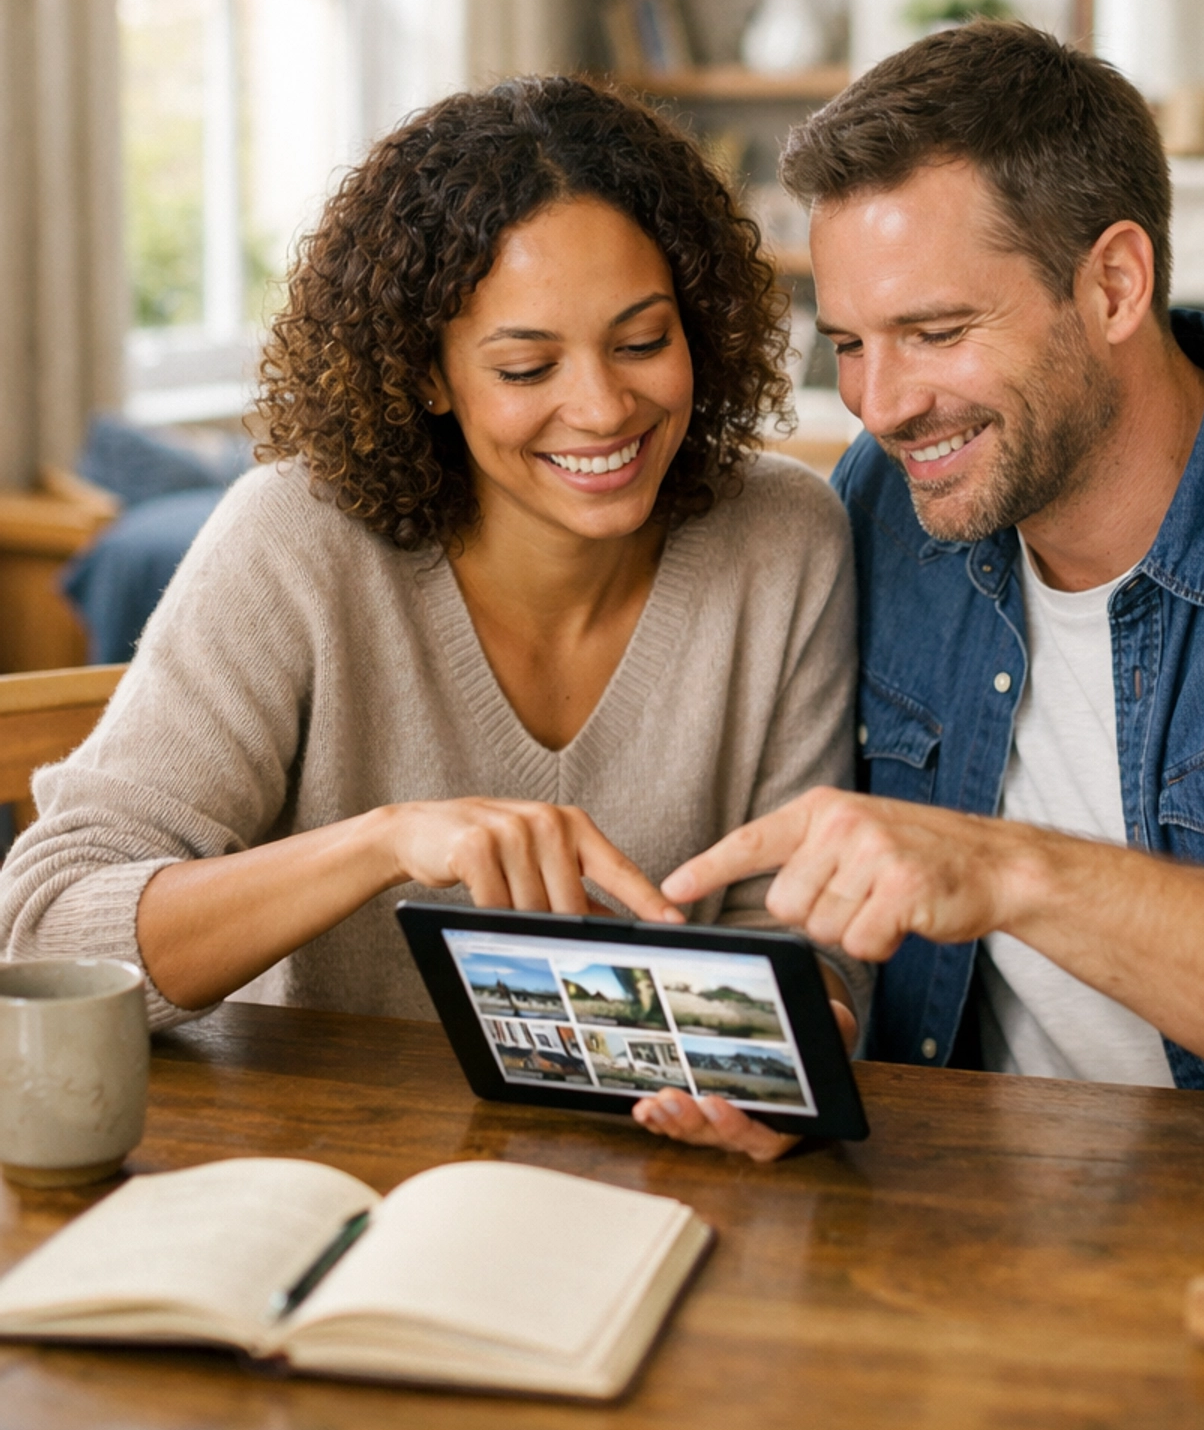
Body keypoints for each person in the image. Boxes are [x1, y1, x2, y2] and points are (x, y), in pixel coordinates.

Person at [663, 22, 1204, 1119]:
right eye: (849, 344)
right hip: (965, 1182)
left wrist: (1008, 871)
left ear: (1116, 285)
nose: (880, 405)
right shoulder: (888, 501)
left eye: (936, 332)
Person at [0, 76, 863, 1159]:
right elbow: (45, 928)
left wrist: (801, 1048)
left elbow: (799, 935)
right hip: (322, 1166)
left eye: (643, 342)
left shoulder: (786, 539)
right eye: (527, 366)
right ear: (428, 376)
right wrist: (384, 841)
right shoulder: (294, 541)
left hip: (653, 1175)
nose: (603, 407)